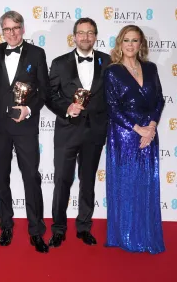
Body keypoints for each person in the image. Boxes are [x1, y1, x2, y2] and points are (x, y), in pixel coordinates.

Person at [45, 18, 111, 248]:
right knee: (62, 181)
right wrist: (67, 108)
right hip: (67, 131)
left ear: (96, 36)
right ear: (74, 36)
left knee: (88, 181)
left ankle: (84, 226)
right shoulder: (60, 63)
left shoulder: (109, 61)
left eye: (90, 33)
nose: (85, 37)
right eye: (81, 33)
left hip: (95, 131)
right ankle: (59, 229)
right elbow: (49, 96)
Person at [0, 11, 49, 253]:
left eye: (15, 28)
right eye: (6, 29)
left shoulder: (37, 53)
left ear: (23, 29)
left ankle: (36, 231)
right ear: (2, 31)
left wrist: (28, 109)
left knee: (31, 177)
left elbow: (44, 91)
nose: (11, 33)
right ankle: (6, 225)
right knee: (1, 177)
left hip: (25, 126)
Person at [104, 25, 165, 254]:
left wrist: (151, 126)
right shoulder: (113, 71)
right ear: (120, 43)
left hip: (148, 133)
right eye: (126, 40)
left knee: (146, 183)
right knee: (127, 183)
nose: (130, 44)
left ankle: (146, 232)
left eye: (135, 40)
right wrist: (137, 128)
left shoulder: (151, 68)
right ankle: (126, 235)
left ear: (141, 44)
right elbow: (111, 107)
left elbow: (159, 100)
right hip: (124, 133)